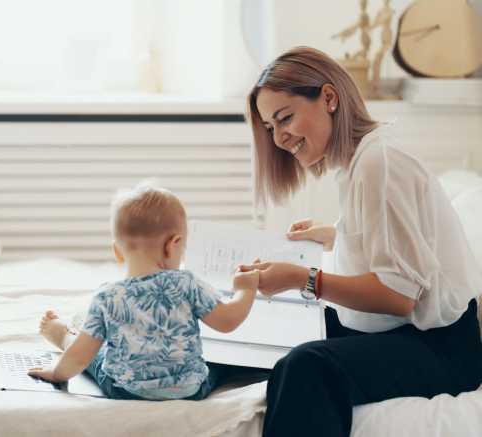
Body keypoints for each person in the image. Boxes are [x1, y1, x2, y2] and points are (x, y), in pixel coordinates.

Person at [240, 46, 482, 436]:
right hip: (405, 330)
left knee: (306, 365)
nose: (279, 138)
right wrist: (336, 236)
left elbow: (397, 293)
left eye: (284, 118)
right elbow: (402, 245)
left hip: (441, 349)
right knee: (282, 325)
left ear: (329, 98)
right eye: (270, 127)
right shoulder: (360, 162)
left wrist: (302, 278)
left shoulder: (379, 164)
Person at [28, 182, 261, 400]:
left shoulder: (107, 297)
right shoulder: (187, 283)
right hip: (189, 390)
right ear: (173, 245)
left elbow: (80, 357)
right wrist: (245, 289)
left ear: (117, 251)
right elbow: (228, 321)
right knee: (218, 363)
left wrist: (56, 375)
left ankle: (65, 336)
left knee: (93, 352)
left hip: (126, 390)